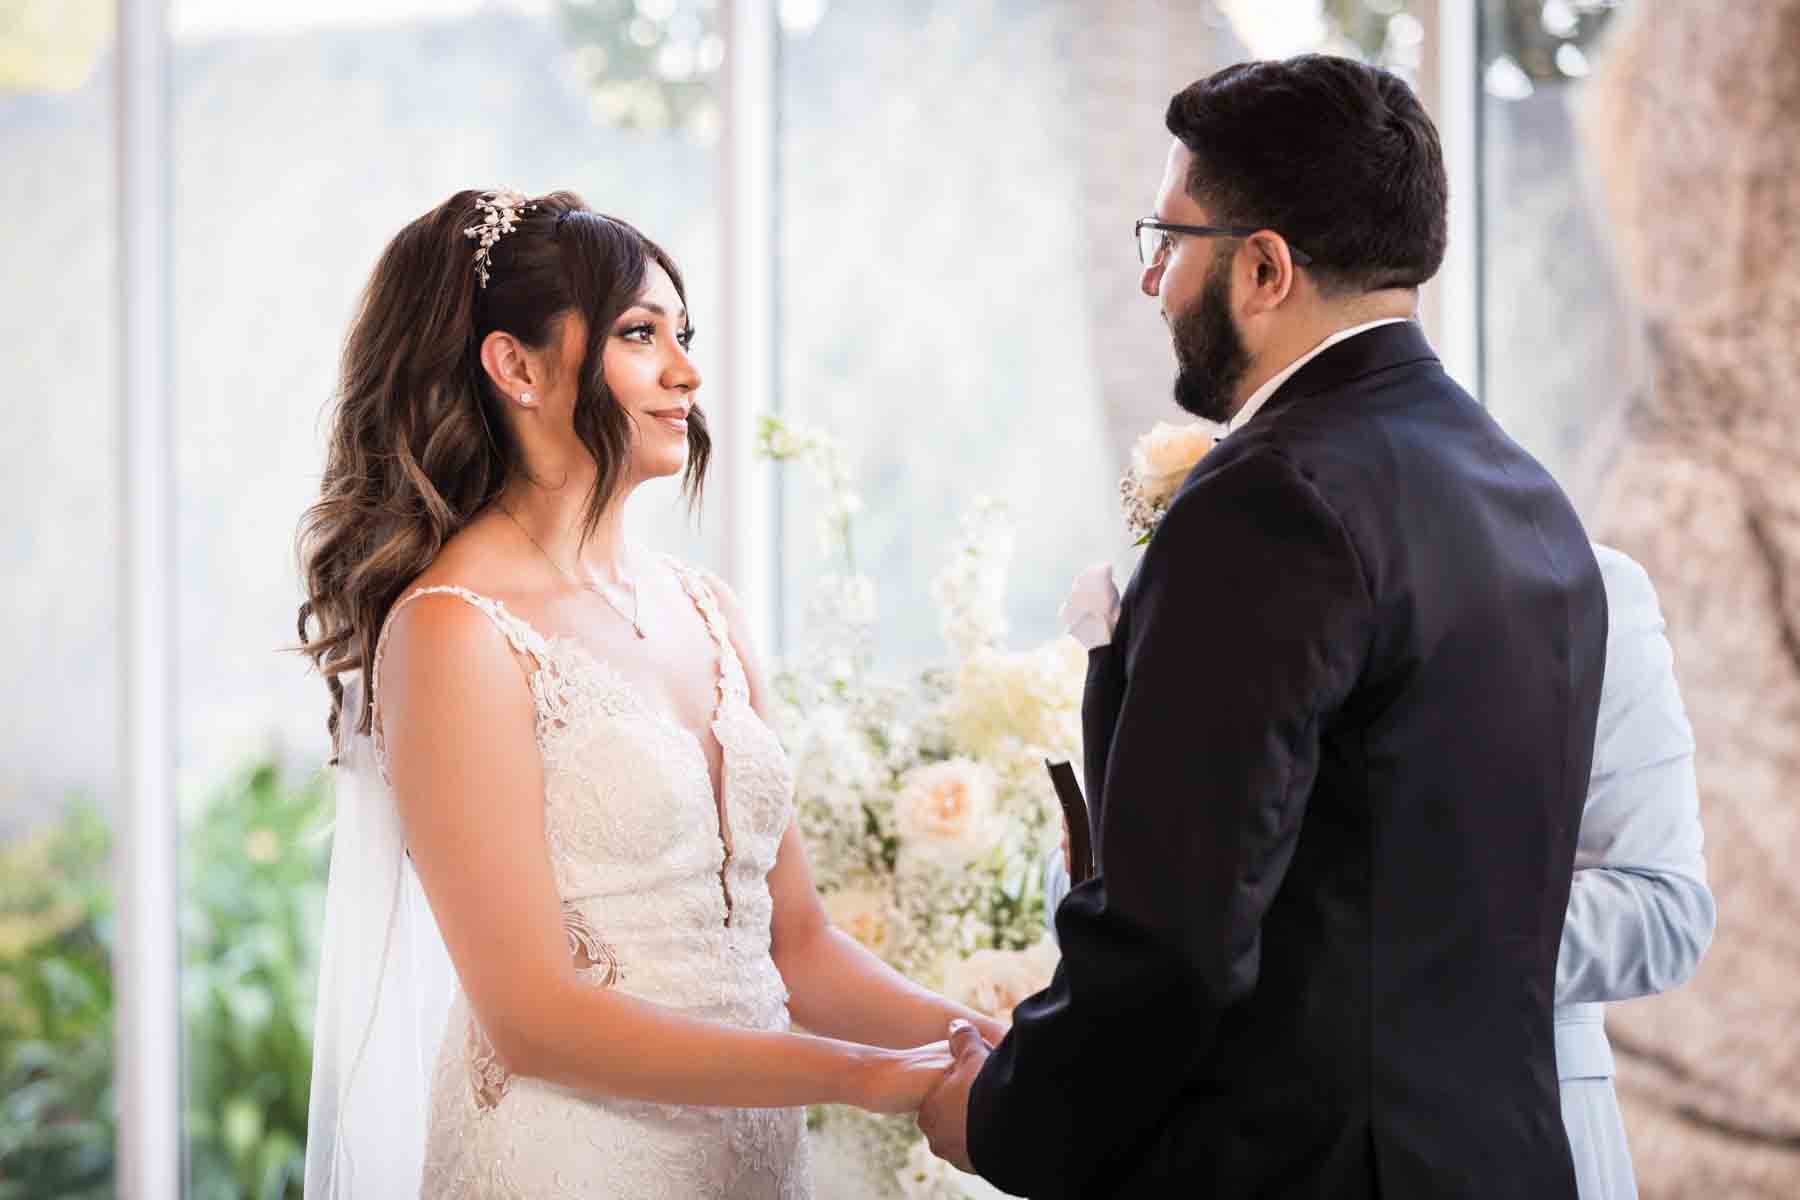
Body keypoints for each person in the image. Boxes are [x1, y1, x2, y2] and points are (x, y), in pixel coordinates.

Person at [916, 56, 1608, 1198]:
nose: (1153, 282)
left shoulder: (1271, 501)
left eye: (1172, 239)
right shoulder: (1526, 495)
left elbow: (1178, 937)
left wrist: (1002, 1119)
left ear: (1265, 266)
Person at [296, 189, 1002, 1199]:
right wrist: (860, 1077)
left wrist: (989, 1040)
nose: (687, 370)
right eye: (640, 333)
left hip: (752, 1164)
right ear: (516, 366)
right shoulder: (455, 628)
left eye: (683, 333)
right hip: (570, 1162)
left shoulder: (705, 609)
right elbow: (535, 1021)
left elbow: (796, 942)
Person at [1041, 543, 1714, 1199]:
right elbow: (1114, 894)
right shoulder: (1204, 610)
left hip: (1516, 1133)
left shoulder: (1584, 587)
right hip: (1247, 1150)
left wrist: (1351, 931)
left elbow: (1663, 912)